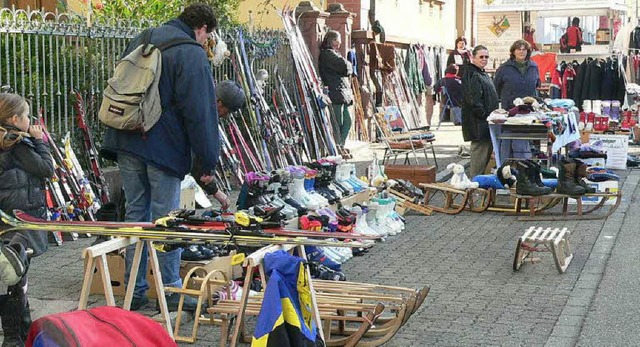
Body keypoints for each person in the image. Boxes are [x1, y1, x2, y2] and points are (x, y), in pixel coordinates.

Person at [101, 3, 220, 312]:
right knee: (166, 220)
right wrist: (207, 161)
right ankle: (170, 292)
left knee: (136, 216)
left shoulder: (144, 37)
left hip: (127, 137)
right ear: (202, 29)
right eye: (209, 37)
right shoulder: (190, 53)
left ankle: (135, 291)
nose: (207, 43)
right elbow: (200, 114)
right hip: (162, 147)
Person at [0, 92, 54, 345]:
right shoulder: (19, 144)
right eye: (26, 116)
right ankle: (14, 337)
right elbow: (46, 169)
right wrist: (39, 140)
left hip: (5, 219)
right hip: (19, 221)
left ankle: (20, 330)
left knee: (10, 277)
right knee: (17, 280)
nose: (30, 120)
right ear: (14, 118)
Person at [194, 80, 247, 211]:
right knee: (164, 217)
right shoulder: (203, 118)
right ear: (218, 102)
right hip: (164, 166)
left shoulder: (198, 105)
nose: (225, 115)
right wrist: (214, 189)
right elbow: (198, 157)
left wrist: (214, 191)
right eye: (227, 110)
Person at [493, 39, 540, 161]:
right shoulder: (504, 68)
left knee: (527, 140)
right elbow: (496, 87)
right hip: (510, 111)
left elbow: (536, 85)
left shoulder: (534, 67)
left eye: (524, 49)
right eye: (518, 49)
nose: (521, 51)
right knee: (508, 140)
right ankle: (505, 165)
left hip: (529, 111)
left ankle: (526, 165)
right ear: (513, 51)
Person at [462, 45, 500, 178]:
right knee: (478, 161)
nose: (484, 59)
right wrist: (485, 116)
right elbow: (473, 100)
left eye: (486, 57)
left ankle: (478, 188)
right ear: (473, 57)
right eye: (481, 57)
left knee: (484, 160)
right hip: (478, 125)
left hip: (485, 123)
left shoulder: (481, 73)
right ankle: (473, 189)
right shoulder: (471, 73)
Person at [318, 30, 353, 147]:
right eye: (338, 39)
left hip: (342, 93)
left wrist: (349, 66)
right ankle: (338, 145)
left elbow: (348, 67)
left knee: (348, 121)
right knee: (338, 123)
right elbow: (345, 66)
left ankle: (340, 144)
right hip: (336, 92)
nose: (340, 42)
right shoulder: (327, 54)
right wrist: (349, 66)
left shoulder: (334, 53)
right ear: (332, 40)